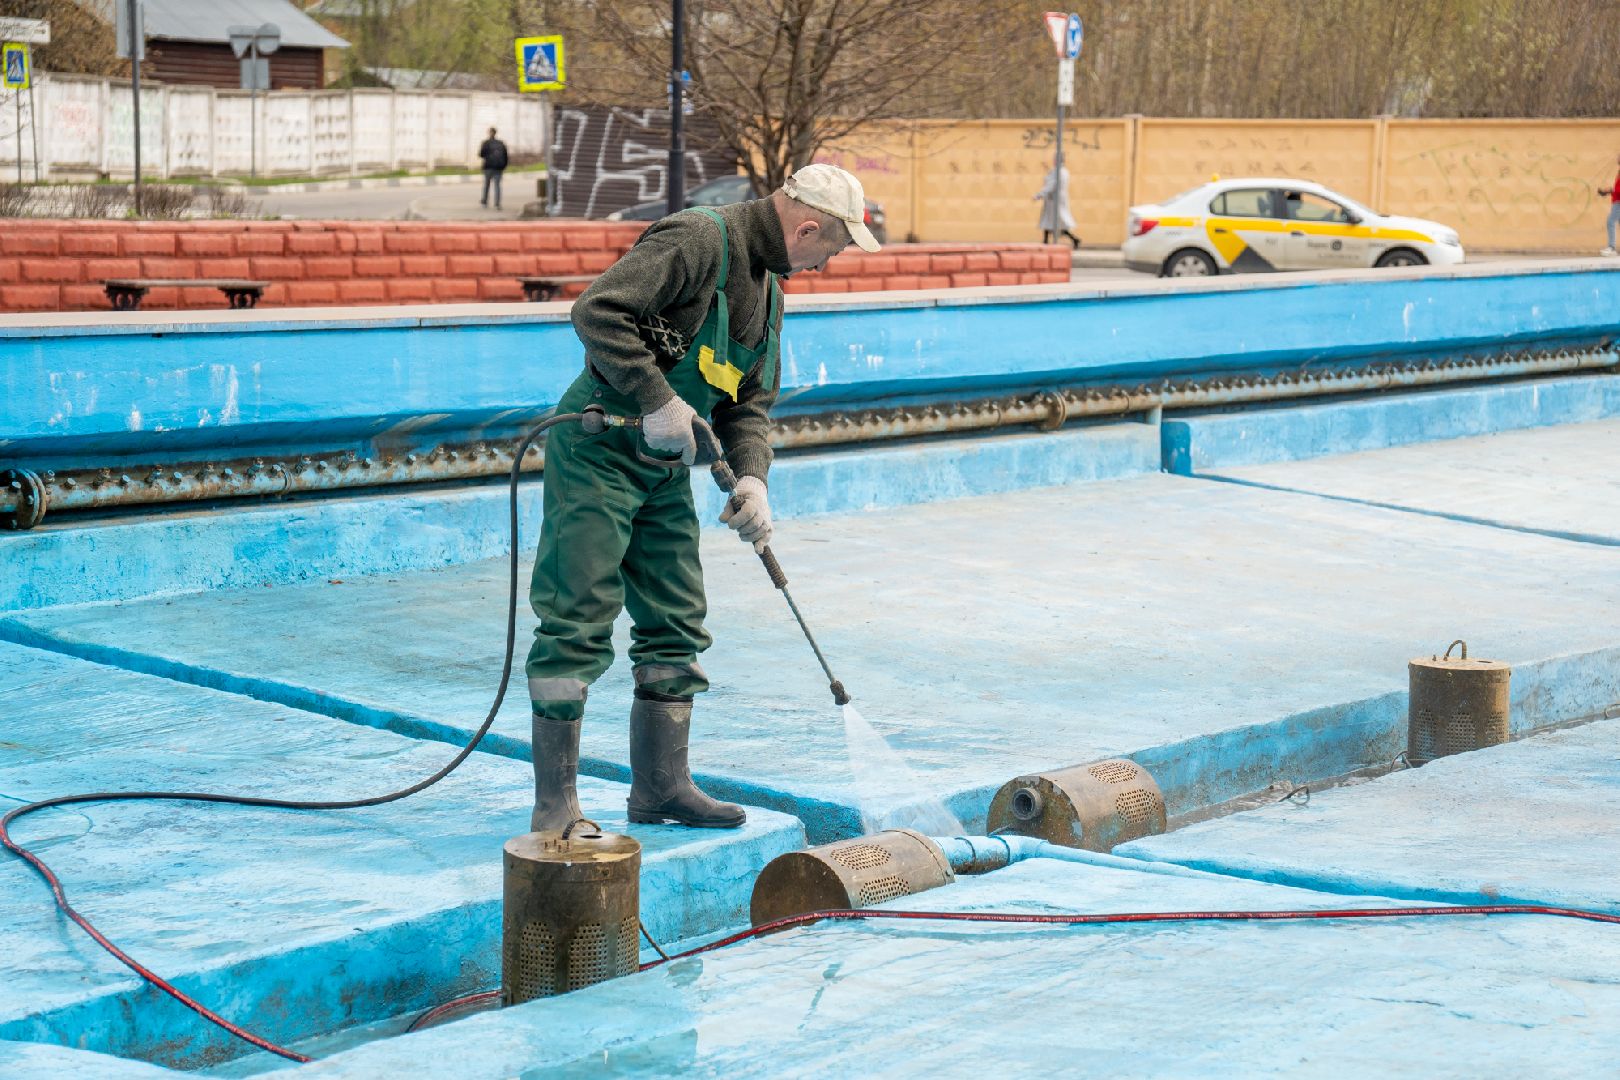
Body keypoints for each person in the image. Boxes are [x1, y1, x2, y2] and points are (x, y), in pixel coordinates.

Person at [526, 163, 881, 834]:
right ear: (807, 226)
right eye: (830, 248)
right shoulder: (697, 238)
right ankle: (555, 806)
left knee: (676, 619)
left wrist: (752, 479)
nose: (826, 263)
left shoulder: (769, 293)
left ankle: (660, 791)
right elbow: (597, 310)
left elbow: (750, 403)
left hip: (662, 469)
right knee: (578, 617)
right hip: (601, 448)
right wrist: (657, 400)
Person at [1034, 164, 1081, 248]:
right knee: (1050, 223)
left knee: (1051, 222)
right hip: (1055, 201)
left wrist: (1039, 195)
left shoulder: (1058, 172)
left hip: (1053, 201)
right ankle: (1046, 241)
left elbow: (1051, 185)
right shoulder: (1064, 172)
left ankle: (1073, 239)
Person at [479, 128, 508, 209]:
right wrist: (504, 166)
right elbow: (506, 156)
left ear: (489, 133)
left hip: (488, 167)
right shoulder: (501, 143)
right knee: (497, 186)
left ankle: (484, 202)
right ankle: (497, 203)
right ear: (496, 133)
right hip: (498, 168)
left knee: (486, 185)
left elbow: (481, 154)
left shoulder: (486, 143)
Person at [1600, 150, 1620, 256]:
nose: (1617, 157)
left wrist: (1610, 190)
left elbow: (1618, 190)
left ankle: (1611, 247)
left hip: (1618, 202)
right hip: (1616, 200)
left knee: (1610, 221)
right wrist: (1608, 192)